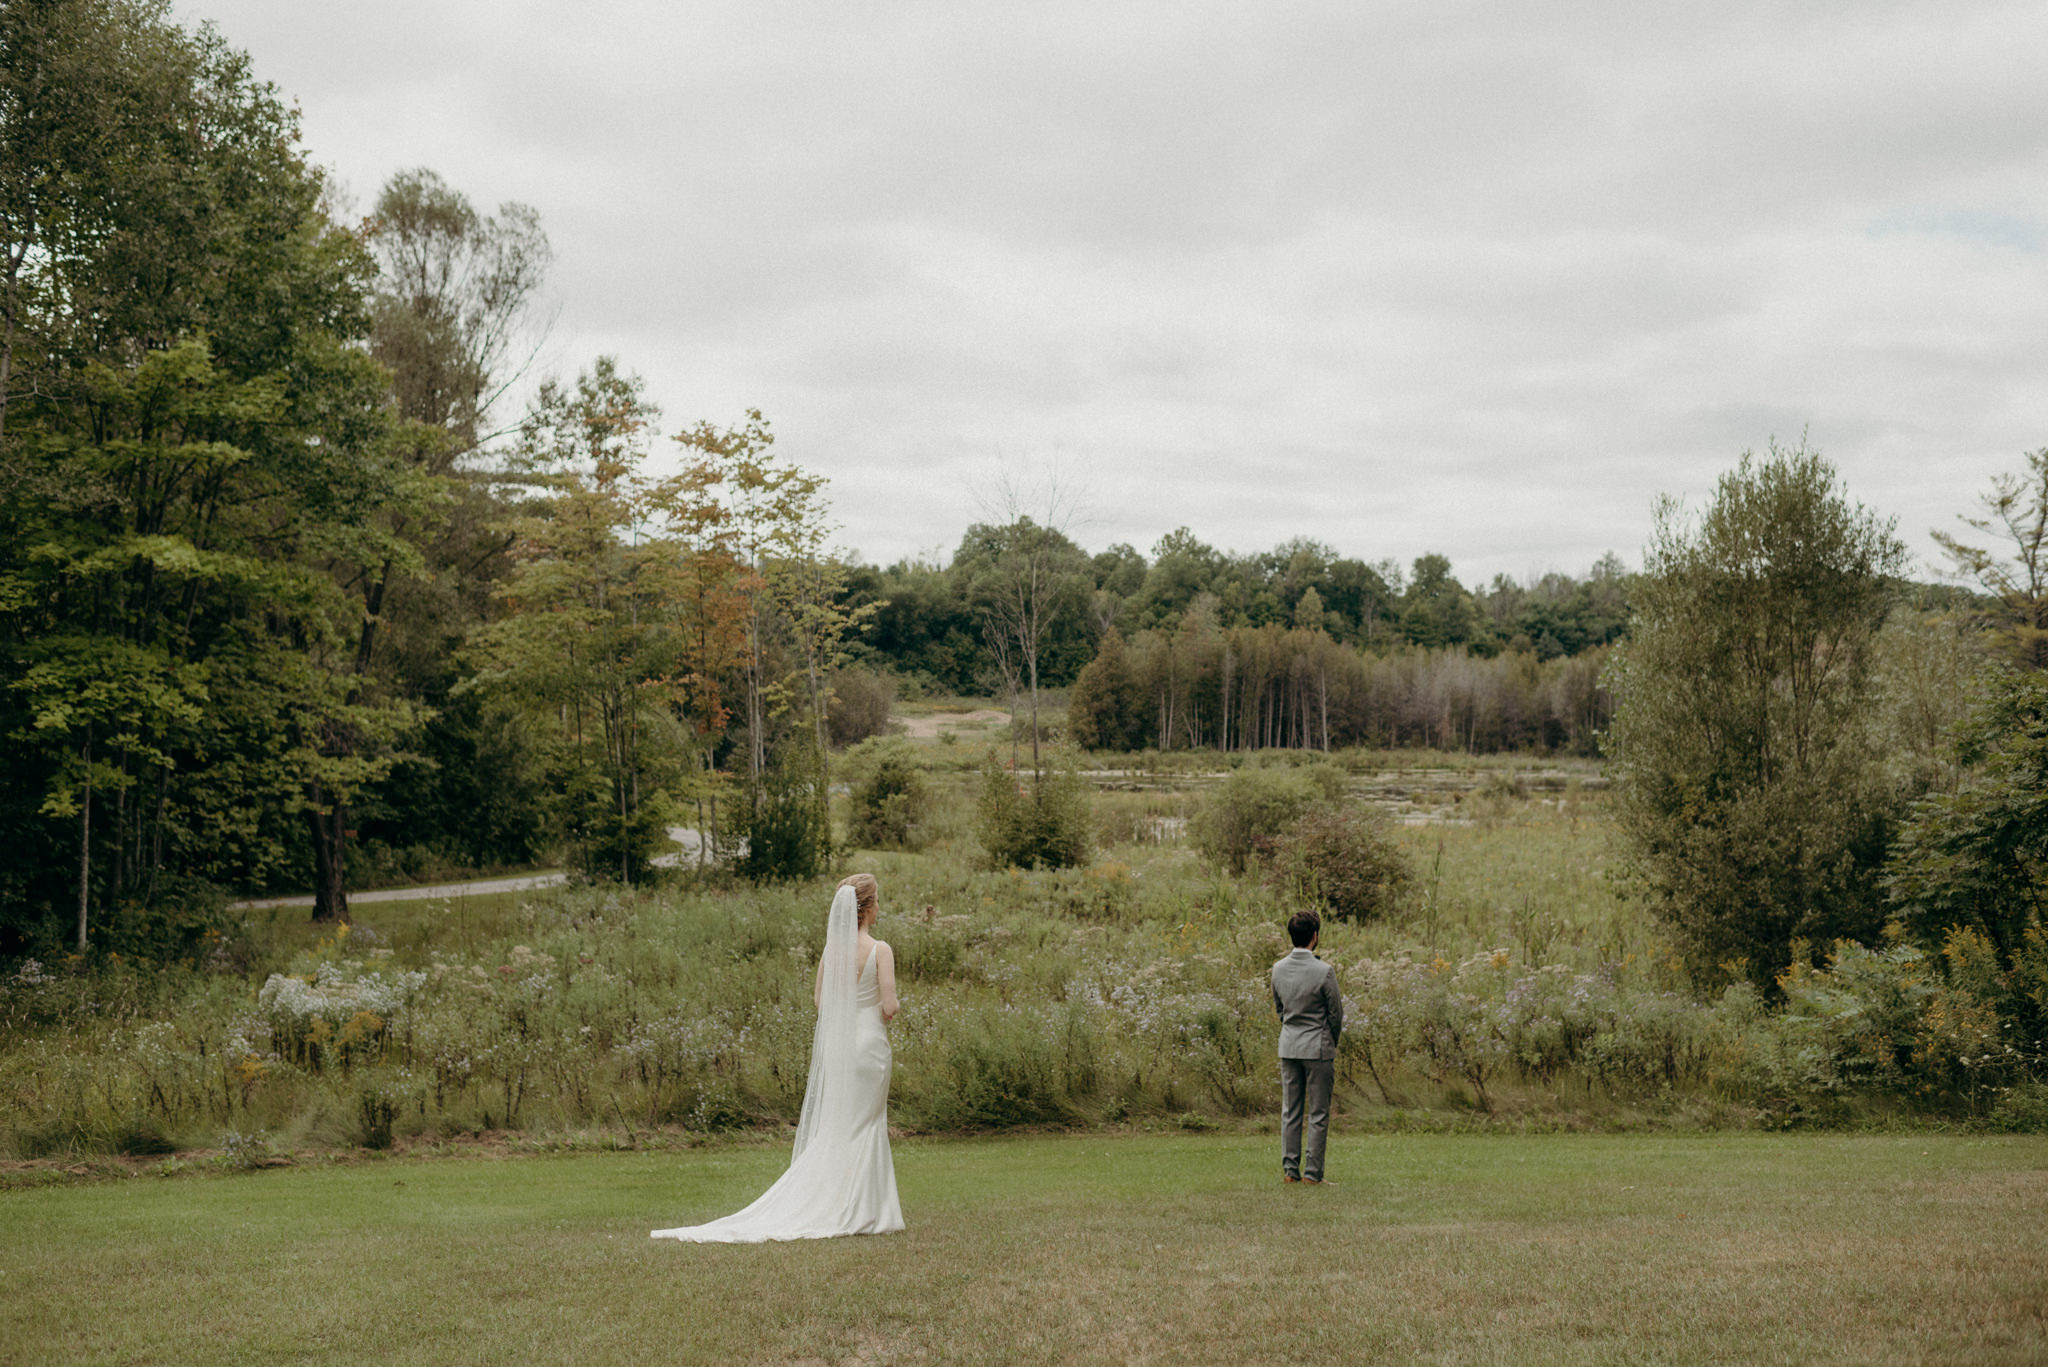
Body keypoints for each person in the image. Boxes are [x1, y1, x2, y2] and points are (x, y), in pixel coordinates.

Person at [651, 873, 904, 1242]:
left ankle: (843, 1203)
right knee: (865, 1124)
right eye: (878, 901)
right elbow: (891, 1007)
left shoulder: (832, 951)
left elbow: (820, 1001)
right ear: (868, 907)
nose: (880, 907)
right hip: (869, 1047)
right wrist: (876, 1013)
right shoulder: (881, 950)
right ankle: (867, 1210)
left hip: (840, 1047)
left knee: (841, 1125)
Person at [1270, 908, 1343, 1184]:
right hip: (1318, 1047)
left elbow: (1280, 1008)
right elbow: (1336, 1014)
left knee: (1290, 1111)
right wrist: (1329, 1040)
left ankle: (1290, 1171)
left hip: (1289, 1046)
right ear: (1315, 936)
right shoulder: (1324, 971)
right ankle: (1313, 1174)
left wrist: (1290, 1029)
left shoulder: (1277, 969)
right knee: (1318, 1112)